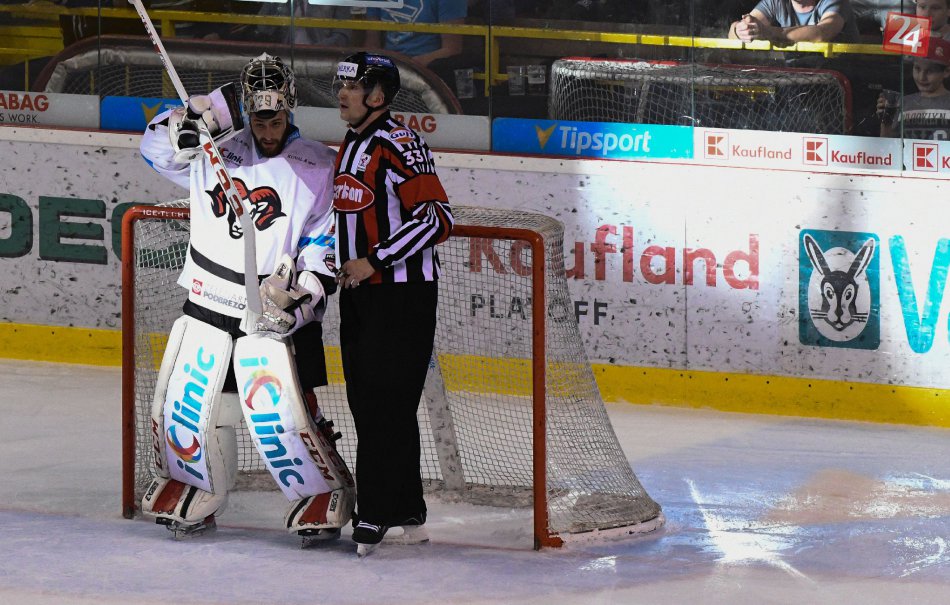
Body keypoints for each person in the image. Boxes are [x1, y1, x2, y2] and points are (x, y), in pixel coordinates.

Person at [137, 53, 355, 544]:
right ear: (245, 112)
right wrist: (190, 120)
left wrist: (305, 296)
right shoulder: (212, 150)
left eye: (276, 120)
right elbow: (154, 151)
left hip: (271, 307)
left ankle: (321, 493)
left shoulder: (319, 165)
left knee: (285, 412)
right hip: (208, 299)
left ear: (290, 109)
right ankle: (198, 488)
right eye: (259, 120)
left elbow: (323, 243)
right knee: (193, 409)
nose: (268, 130)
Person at [330, 51, 454, 556]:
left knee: (384, 403)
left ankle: (375, 512)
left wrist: (374, 260)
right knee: (371, 402)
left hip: (401, 295)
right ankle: (405, 507)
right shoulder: (352, 142)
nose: (341, 94)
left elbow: (436, 218)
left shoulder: (398, 142)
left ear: (378, 95)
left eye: (352, 86)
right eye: (341, 85)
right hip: (363, 293)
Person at [878, 39, 950, 139]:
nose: (921, 77)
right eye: (917, 69)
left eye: (930, 71)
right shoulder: (902, 103)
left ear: (946, 72)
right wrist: (886, 120)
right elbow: (888, 143)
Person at [363, 0, 467, 68]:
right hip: (390, 68)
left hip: (431, 71)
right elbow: (372, 44)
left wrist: (410, 66)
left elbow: (452, 49)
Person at [729, 0, 860, 44]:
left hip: (840, 77)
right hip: (797, 76)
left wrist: (768, 32)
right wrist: (740, 30)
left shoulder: (835, 2)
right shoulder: (775, 2)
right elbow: (735, 31)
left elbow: (822, 33)